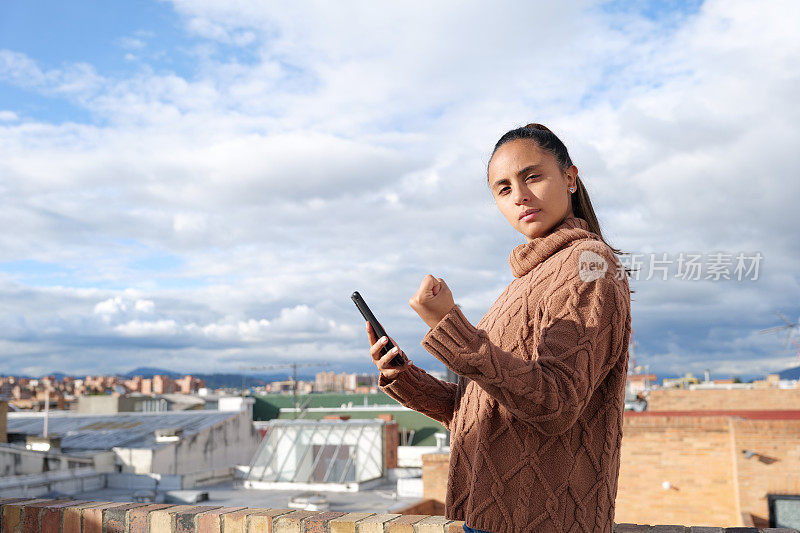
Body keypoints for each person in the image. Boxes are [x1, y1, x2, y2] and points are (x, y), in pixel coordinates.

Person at [367, 123, 632, 533]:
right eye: (503, 188)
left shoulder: (588, 265)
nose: (520, 196)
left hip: (541, 523)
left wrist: (448, 324)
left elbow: (555, 403)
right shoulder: (529, 279)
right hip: (487, 516)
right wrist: (403, 376)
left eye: (532, 177)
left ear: (570, 177)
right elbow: (483, 410)